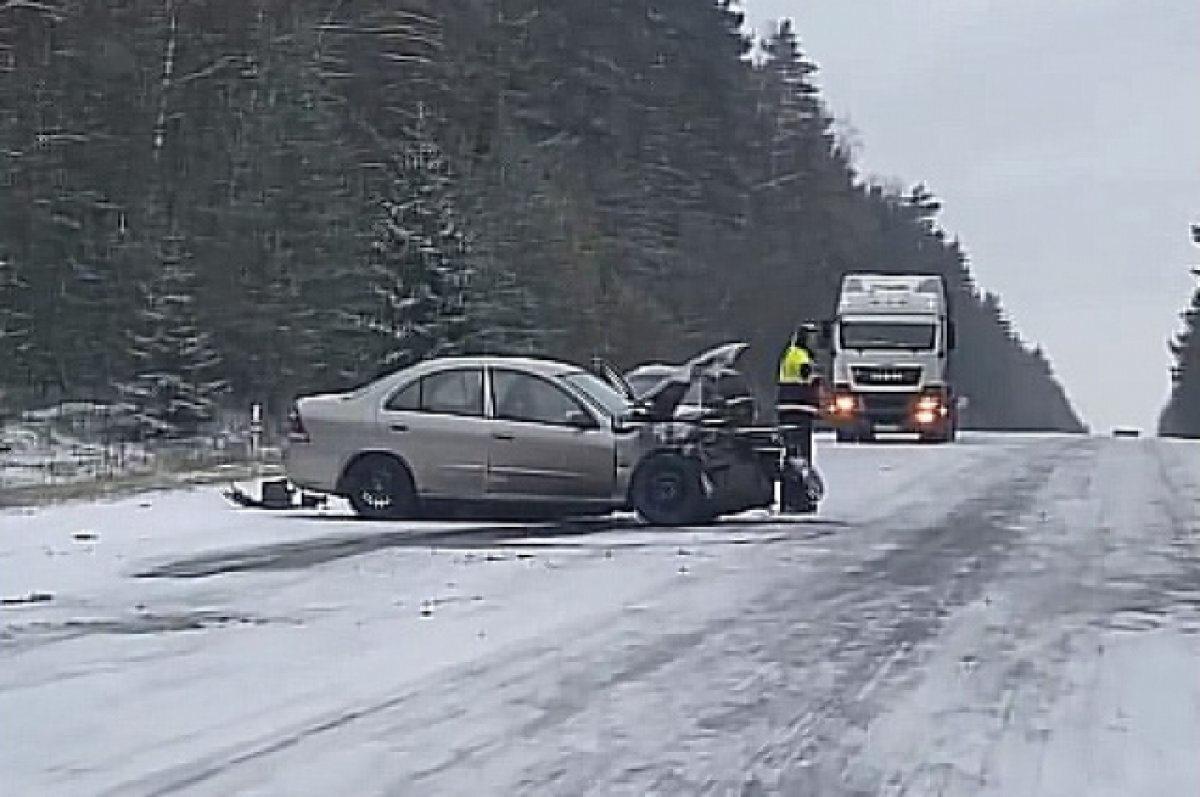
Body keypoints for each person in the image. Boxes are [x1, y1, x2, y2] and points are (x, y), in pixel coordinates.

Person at [776, 324, 822, 512]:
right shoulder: (800, 356)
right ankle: (799, 501)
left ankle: (792, 499)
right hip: (798, 410)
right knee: (799, 456)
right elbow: (806, 376)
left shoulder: (791, 353)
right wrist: (815, 378)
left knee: (793, 455)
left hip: (790, 409)